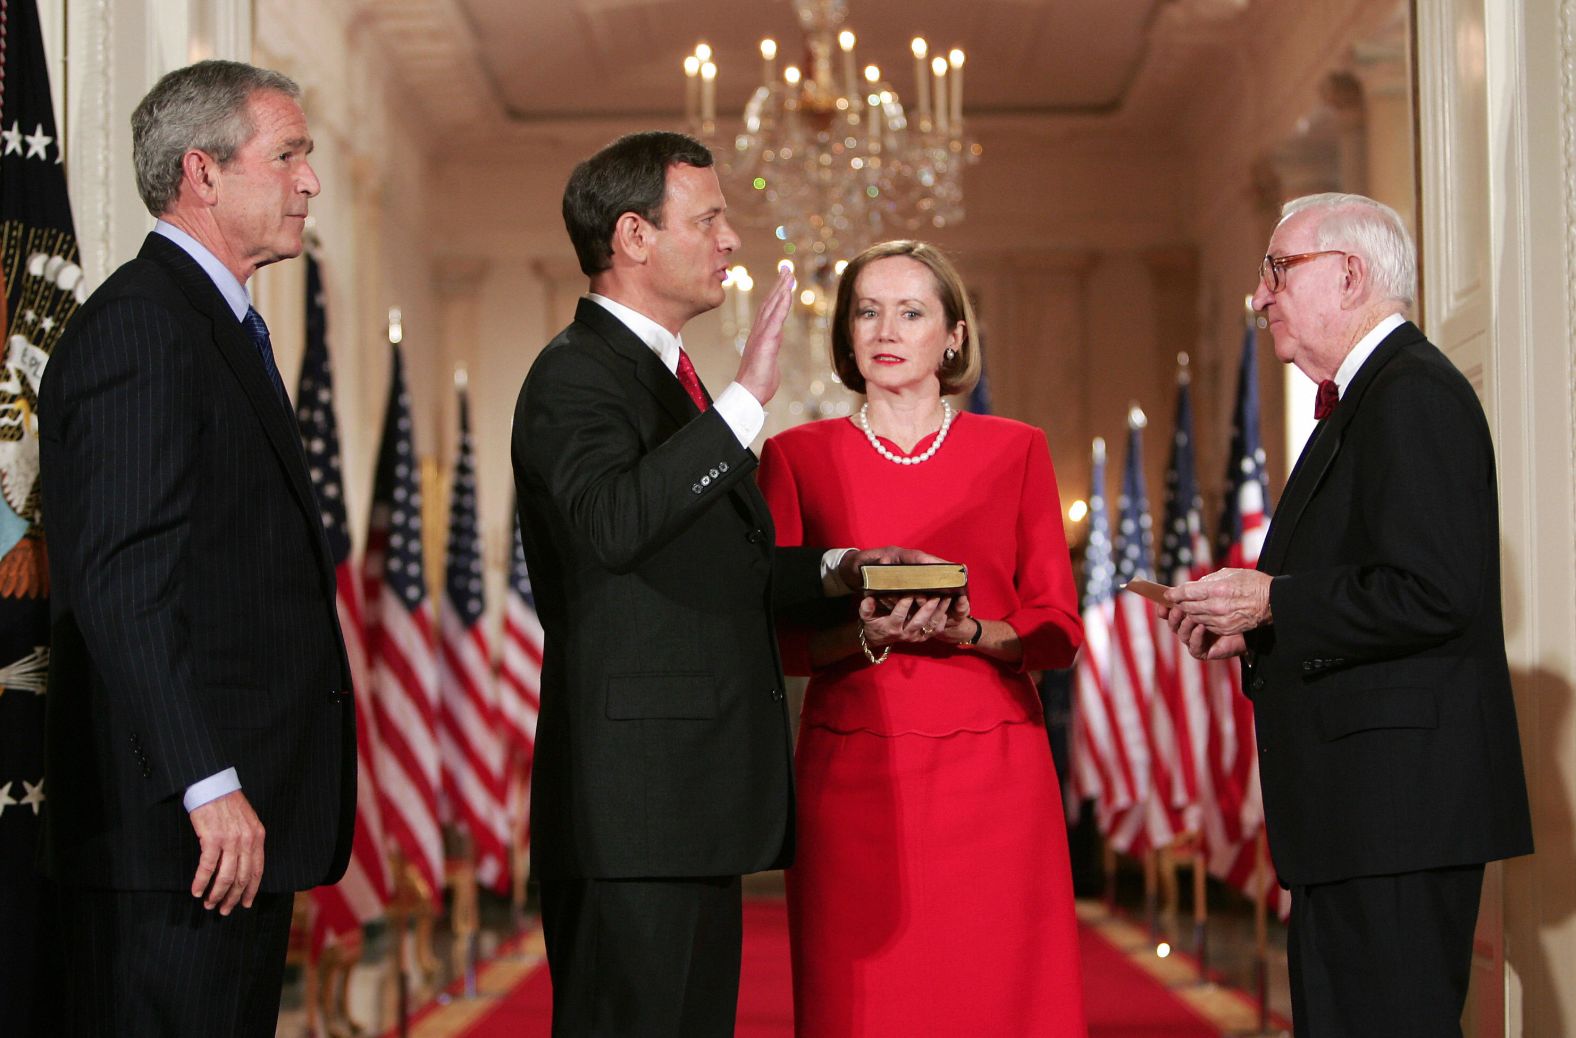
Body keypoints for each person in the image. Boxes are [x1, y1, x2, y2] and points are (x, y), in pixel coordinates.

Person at [512, 131, 933, 1037]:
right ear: (632, 236)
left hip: (687, 804)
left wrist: (838, 571)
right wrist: (746, 402)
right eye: (707, 219)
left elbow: (709, 567)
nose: (730, 240)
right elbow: (615, 525)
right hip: (633, 810)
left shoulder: (670, 377)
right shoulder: (575, 373)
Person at [1164, 193, 1533, 1037]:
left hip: (1396, 815)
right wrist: (1259, 623)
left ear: (1350, 274)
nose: (1260, 296)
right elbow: (1372, 585)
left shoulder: (1412, 394)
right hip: (1360, 816)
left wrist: (1275, 600)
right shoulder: (1367, 397)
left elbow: (1435, 590)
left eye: (1277, 269)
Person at [37, 60, 354, 1036]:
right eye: (288, 155)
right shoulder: (143, 328)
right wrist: (206, 782)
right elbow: (125, 582)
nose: (309, 182)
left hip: (227, 826)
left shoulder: (212, 324)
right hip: (175, 837)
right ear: (201, 173)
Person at [756, 239, 1088, 1036]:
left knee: (999, 998)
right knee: (862, 1005)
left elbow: (1058, 628)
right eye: (867, 311)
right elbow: (772, 636)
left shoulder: (1018, 449)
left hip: (994, 773)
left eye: (911, 311)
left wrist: (970, 629)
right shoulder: (795, 457)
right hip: (853, 772)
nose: (886, 328)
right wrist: (862, 637)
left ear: (954, 337)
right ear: (845, 334)